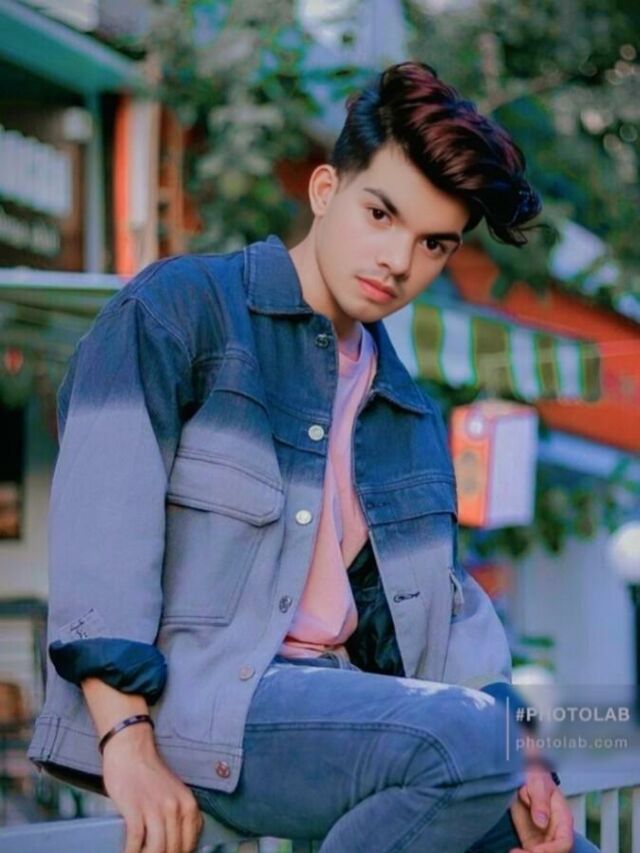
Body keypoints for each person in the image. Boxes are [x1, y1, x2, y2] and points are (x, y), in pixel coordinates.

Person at [29, 62, 598, 853]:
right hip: (204, 706)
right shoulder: (184, 311)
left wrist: (519, 751)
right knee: (474, 746)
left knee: (555, 837)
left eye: (433, 243)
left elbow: (441, 610)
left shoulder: (403, 406)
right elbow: (102, 530)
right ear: (326, 189)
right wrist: (125, 739)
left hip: (348, 715)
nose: (398, 259)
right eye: (381, 214)